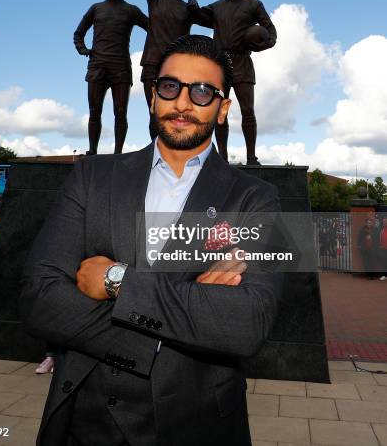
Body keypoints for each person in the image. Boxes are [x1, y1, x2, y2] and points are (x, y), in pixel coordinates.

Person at [20, 35, 284, 446]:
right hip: (84, 419)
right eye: (170, 87)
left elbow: (248, 322)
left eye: (201, 92)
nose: (182, 103)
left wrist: (117, 281)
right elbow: (39, 297)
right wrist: (183, 316)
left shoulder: (255, 197)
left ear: (222, 109)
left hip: (197, 423)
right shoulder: (91, 178)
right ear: (152, 96)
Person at [188, 0, 277, 164]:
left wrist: (263, 45)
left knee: (248, 110)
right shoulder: (218, 6)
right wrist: (194, 6)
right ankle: (222, 157)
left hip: (242, 61)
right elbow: (199, 16)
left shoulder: (254, 4)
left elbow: (270, 31)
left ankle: (251, 156)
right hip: (220, 64)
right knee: (219, 111)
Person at [131, 0, 194, 140]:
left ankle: (173, 149)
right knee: (154, 111)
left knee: (175, 112)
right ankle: (154, 150)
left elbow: (217, 20)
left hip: (177, 67)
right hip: (152, 63)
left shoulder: (189, 9)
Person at [74, 0, 148, 155]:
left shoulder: (131, 10)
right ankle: (92, 150)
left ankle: (118, 152)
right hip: (97, 64)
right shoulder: (96, 8)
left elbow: (153, 28)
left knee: (121, 111)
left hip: (120, 66)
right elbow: (79, 33)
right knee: (94, 110)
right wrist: (83, 49)